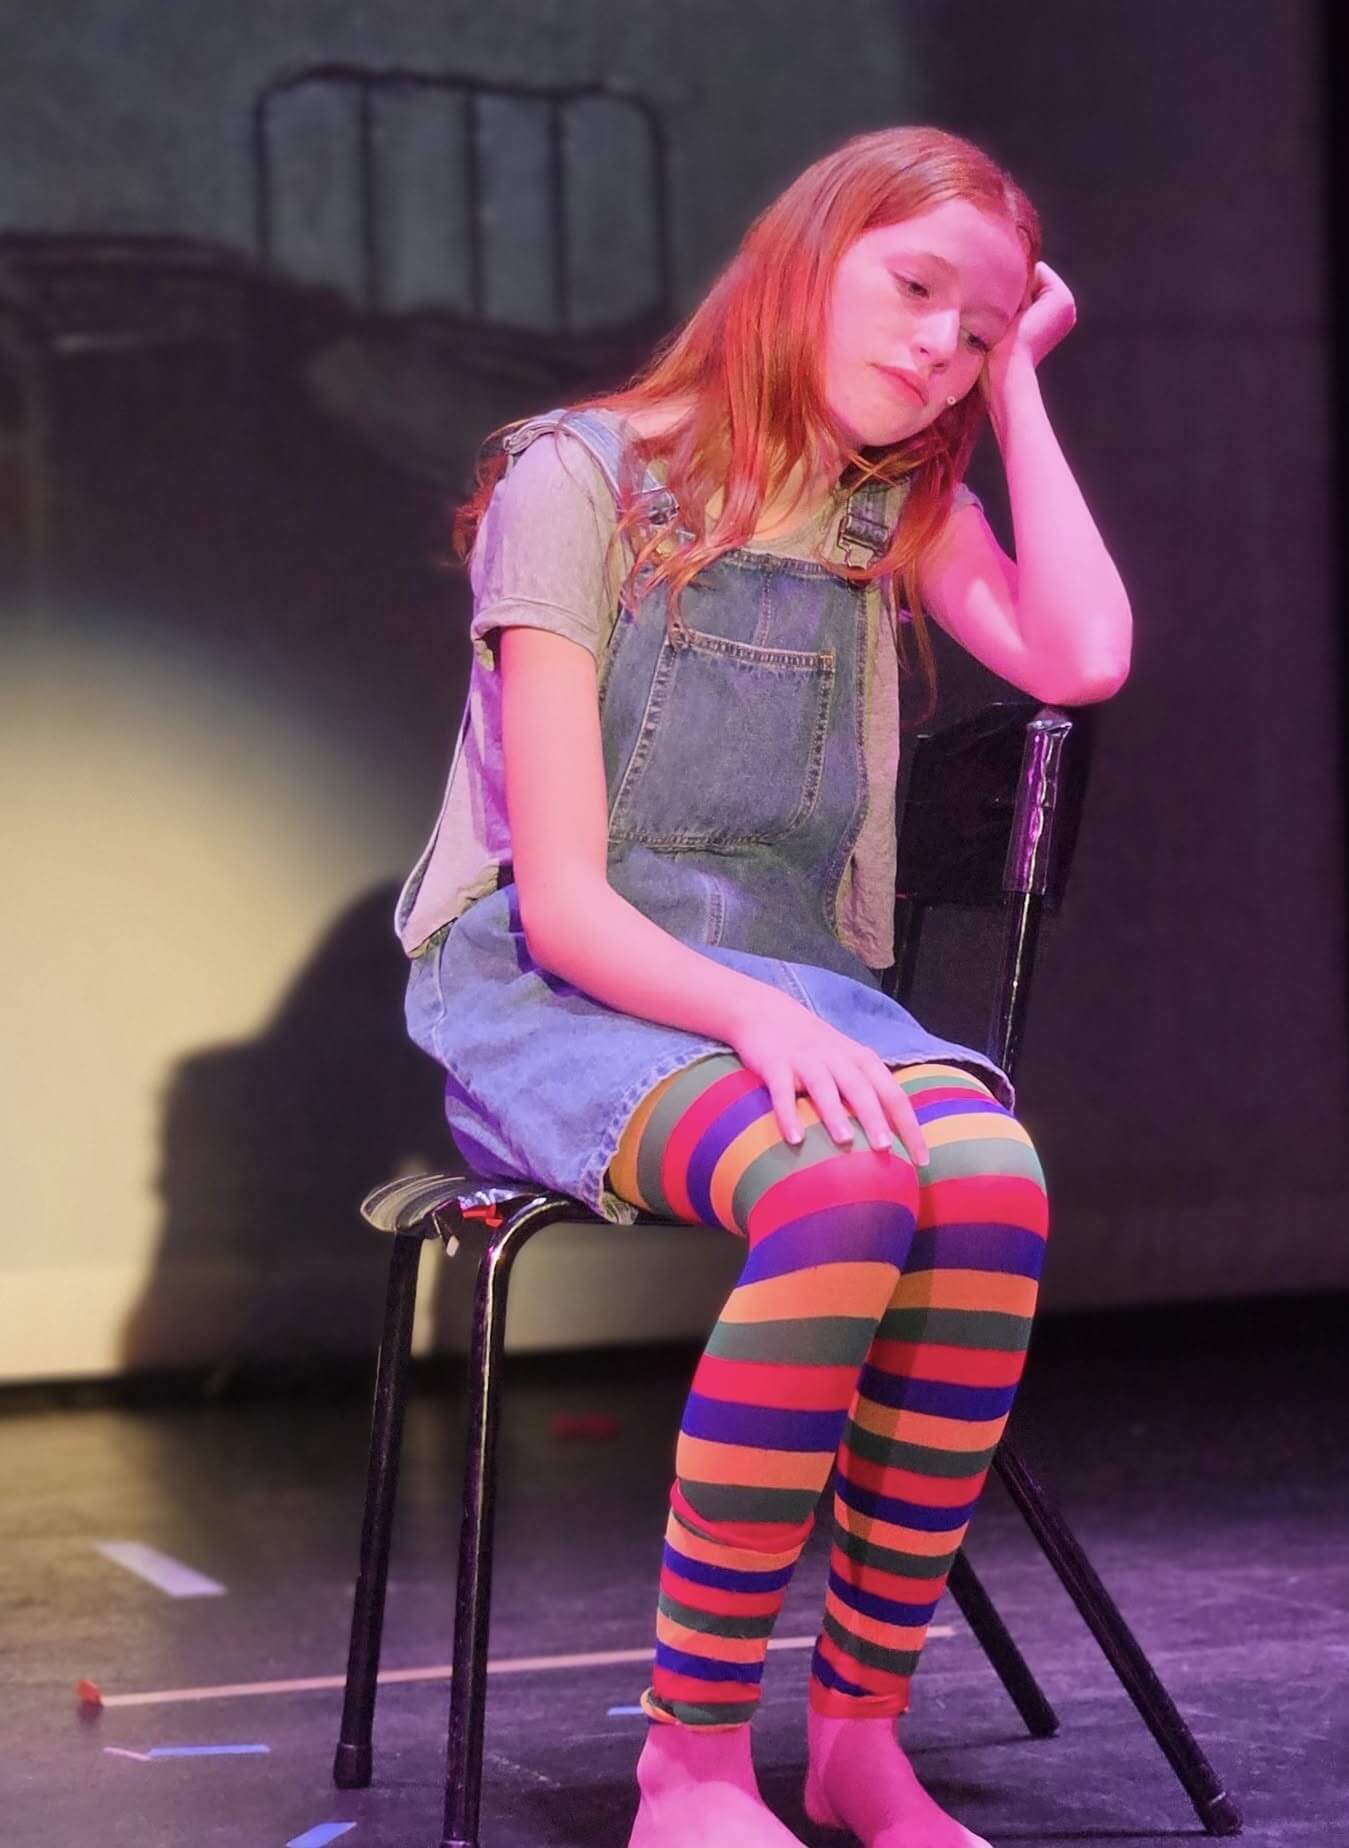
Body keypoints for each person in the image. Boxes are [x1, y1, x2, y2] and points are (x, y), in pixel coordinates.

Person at [394, 124, 1131, 1848]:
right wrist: (756, 1015)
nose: (940, 347)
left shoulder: (895, 510)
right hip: (562, 988)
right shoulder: (578, 480)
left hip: (785, 979)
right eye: (917, 289)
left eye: (977, 327)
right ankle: (696, 1763)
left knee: (992, 1181)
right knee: (846, 1179)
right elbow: (565, 902)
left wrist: (1022, 385)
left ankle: (862, 1737)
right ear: (807, 259)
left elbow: (1084, 655)